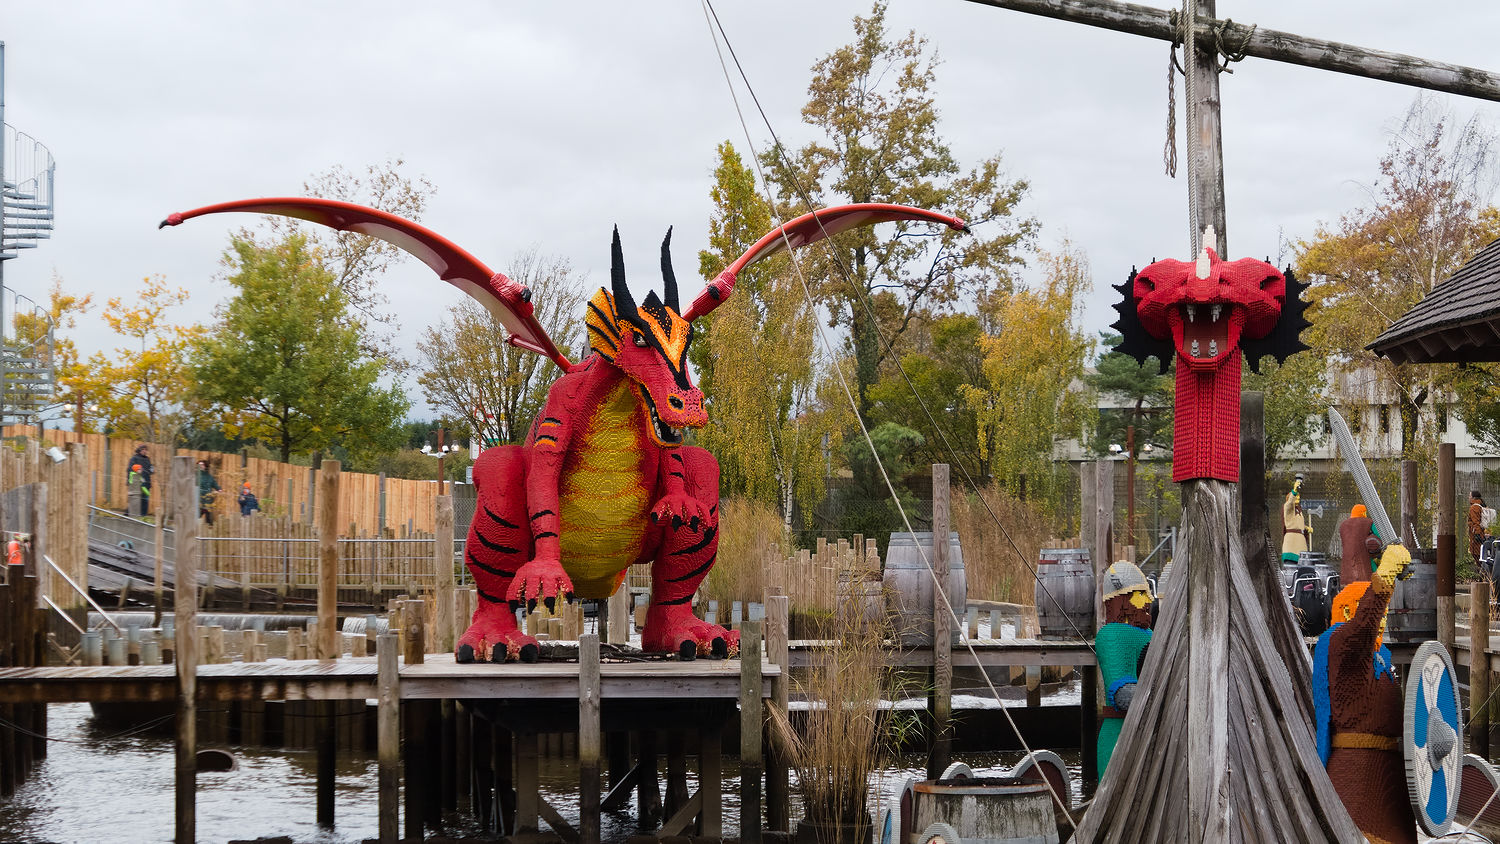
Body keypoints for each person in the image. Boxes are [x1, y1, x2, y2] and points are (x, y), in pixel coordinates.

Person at [1313, 542, 1415, 844]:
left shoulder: (1378, 656)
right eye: (1375, 609)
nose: (1383, 617)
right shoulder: (1340, 644)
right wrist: (1384, 576)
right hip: (1358, 784)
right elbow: (1363, 626)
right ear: (1348, 610)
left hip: (1390, 786)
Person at [1095, 560, 1153, 780]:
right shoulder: (1111, 635)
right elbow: (1121, 691)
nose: (1147, 602)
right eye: (1139, 596)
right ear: (1120, 601)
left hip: (1145, 734)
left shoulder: (1150, 634)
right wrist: (1158, 699)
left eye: (1147, 595)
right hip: (1120, 735)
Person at [1281, 474, 1309, 562]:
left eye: (1298, 496)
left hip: (1300, 543)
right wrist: (1294, 491)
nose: (1297, 497)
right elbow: (1289, 504)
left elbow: (1297, 524)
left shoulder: (1299, 511)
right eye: (1295, 496)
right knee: (1291, 569)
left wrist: (1306, 528)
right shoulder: (1288, 508)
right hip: (1292, 544)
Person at [197, 459, 221, 526]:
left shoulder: (209, 476)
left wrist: (219, 489)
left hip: (208, 499)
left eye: (202, 465)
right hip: (199, 499)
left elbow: (214, 483)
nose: (200, 466)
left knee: (208, 516)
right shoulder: (196, 476)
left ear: (205, 466)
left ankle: (209, 530)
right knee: (197, 515)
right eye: (199, 465)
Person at [132, 444, 154, 516]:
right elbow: (130, 469)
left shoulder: (147, 459)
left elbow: (151, 470)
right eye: (143, 449)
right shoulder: (135, 458)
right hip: (138, 483)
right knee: (136, 500)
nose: (144, 451)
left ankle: (144, 516)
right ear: (139, 450)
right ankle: (131, 514)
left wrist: (152, 469)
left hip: (146, 483)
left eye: (145, 449)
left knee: (145, 499)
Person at [1471, 491, 1489, 566]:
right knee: (1483, 553)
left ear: (1473, 497)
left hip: (1476, 535)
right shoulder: (1482, 505)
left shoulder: (1474, 507)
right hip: (1482, 533)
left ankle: (1483, 574)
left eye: (1470, 496)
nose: (1468, 498)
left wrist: (1477, 534)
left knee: (1477, 554)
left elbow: (1476, 522)